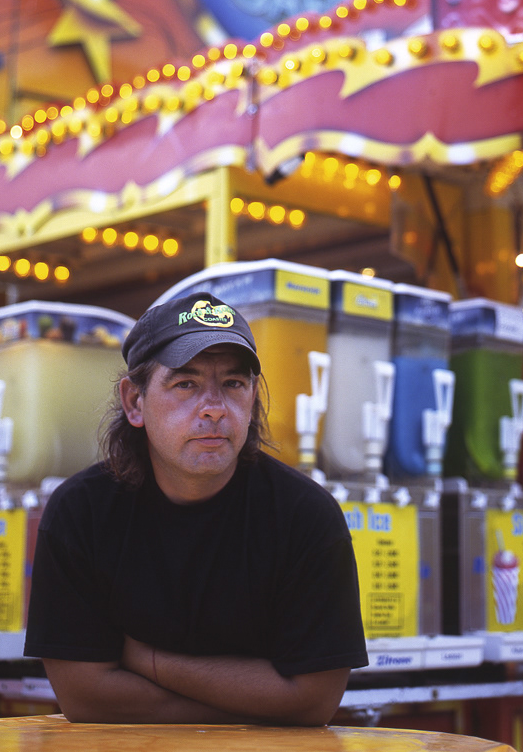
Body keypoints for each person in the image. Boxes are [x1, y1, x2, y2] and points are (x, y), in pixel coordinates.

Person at [24, 291, 368, 724]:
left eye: (233, 384)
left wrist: (148, 660)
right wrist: (259, 701)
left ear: (252, 399)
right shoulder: (81, 513)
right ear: (134, 402)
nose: (214, 409)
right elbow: (84, 698)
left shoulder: (306, 516)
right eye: (185, 384)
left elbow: (313, 700)